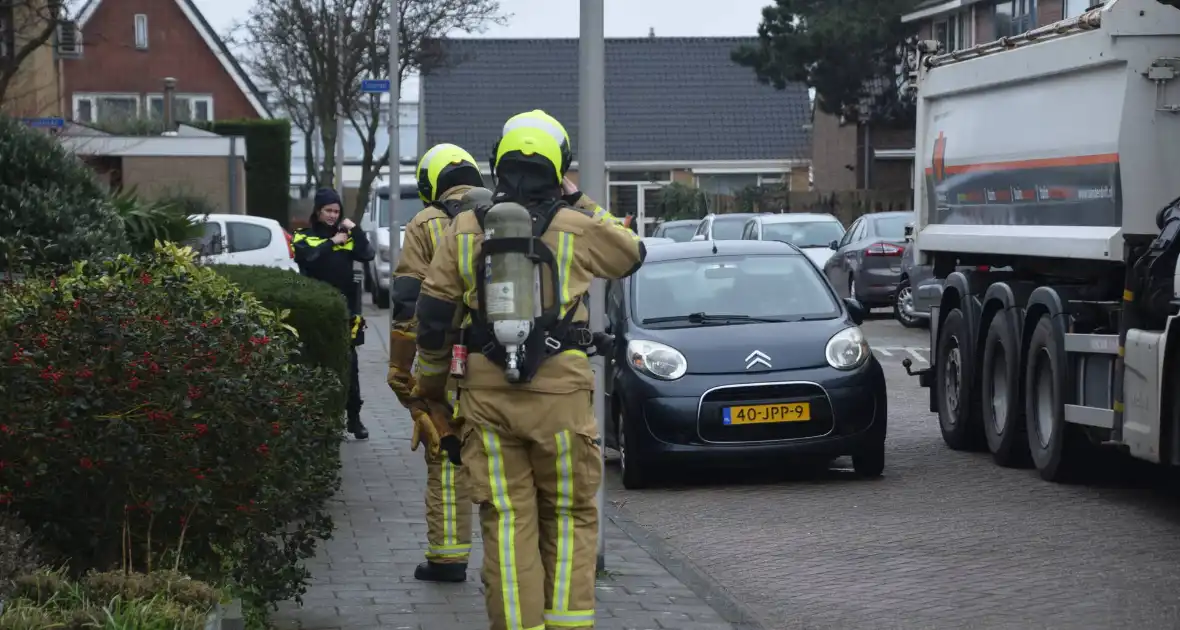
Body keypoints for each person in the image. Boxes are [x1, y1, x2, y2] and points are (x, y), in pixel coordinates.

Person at [412, 109, 645, 629]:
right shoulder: (577, 226)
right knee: (569, 515)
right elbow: (633, 252)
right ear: (558, 166)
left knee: (506, 521)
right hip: (561, 400)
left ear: (497, 165)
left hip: (486, 400)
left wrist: (430, 389)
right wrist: (577, 197)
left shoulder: (464, 228)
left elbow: (431, 317)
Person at [386, 142, 488, 583]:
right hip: (500, 360)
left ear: (430, 184)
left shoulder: (425, 224)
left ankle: (448, 558)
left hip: (444, 360)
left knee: (446, 452)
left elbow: (408, 303)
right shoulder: (505, 214)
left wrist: (398, 369)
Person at [293, 187, 375, 440]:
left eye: (336, 211)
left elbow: (368, 254)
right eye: (328, 210)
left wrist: (355, 229)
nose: (332, 215)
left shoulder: (347, 236)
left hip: (346, 311)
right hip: (316, 310)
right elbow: (309, 260)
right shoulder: (303, 237)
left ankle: (354, 419)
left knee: (350, 366)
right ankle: (321, 420)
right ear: (318, 211)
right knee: (318, 364)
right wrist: (331, 243)